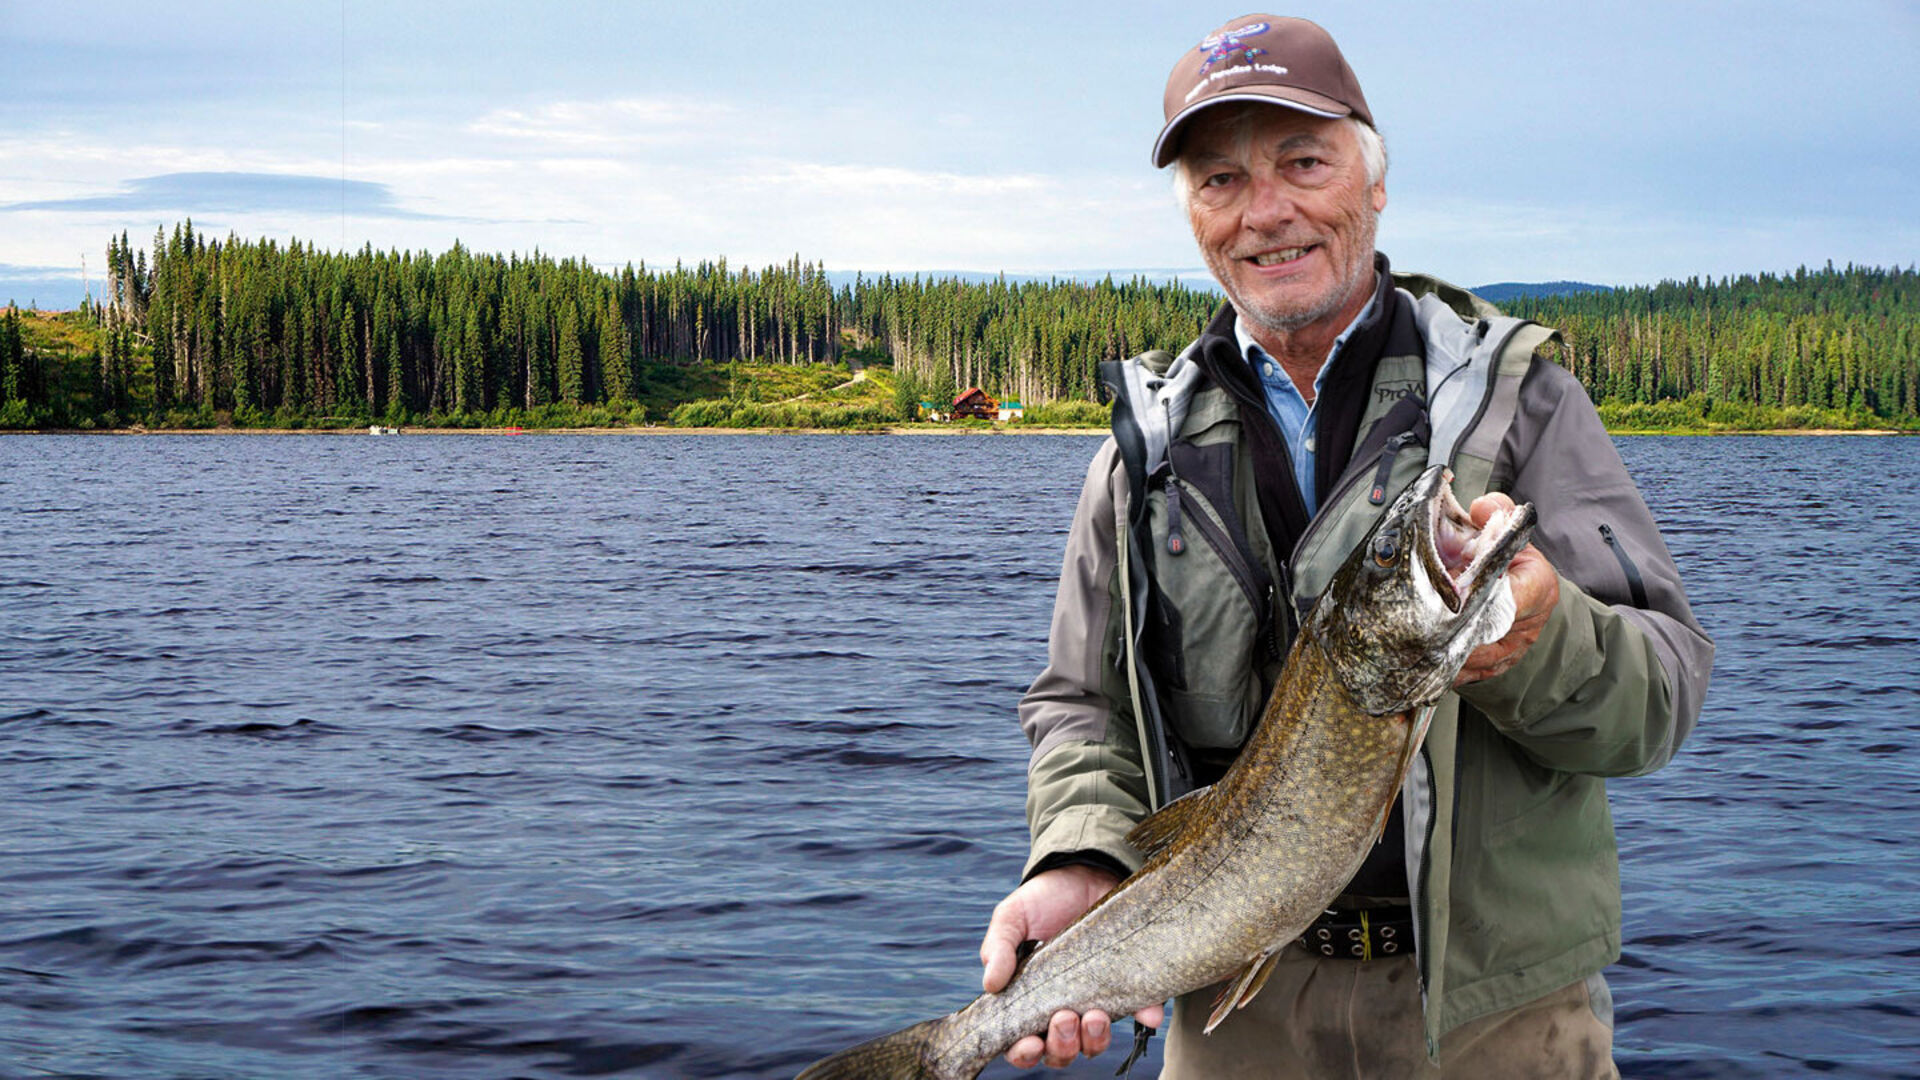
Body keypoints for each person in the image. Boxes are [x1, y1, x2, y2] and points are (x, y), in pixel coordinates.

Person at [976, 15, 1713, 1078]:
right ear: (1190, 216)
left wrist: (1543, 643)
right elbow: (1081, 707)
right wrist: (1084, 853)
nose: (1265, 212)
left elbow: (1664, 696)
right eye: (1219, 180)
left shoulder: (1526, 403)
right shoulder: (1137, 459)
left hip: (1497, 1013)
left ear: (1374, 182)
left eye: (1303, 163)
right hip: (1228, 1004)